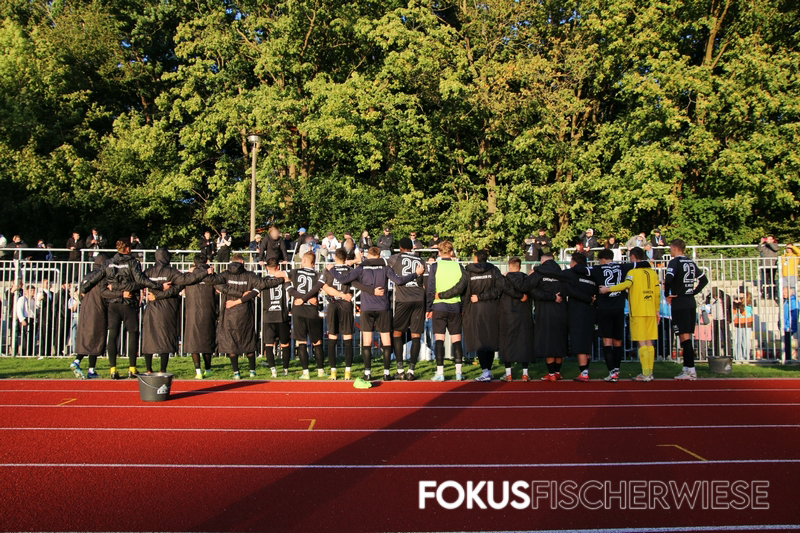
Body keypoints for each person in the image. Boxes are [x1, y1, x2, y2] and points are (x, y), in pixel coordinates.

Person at [329, 247, 422, 380]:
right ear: (379, 255)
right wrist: (415, 274)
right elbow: (400, 281)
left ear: (368, 255)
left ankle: (367, 373)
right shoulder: (385, 268)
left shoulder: (361, 268)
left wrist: (332, 270)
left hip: (367, 307)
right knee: (386, 339)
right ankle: (386, 373)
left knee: (367, 340)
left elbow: (344, 280)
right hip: (383, 307)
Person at [90, 239, 171, 379]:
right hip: (129, 303)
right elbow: (140, 282)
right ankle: (131, 368)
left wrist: (85, 289)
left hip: (113, 304)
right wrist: (158, 286)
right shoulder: (133, 263)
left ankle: (113, 369)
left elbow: (102, 288)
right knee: (132, 334)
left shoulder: (107, 263)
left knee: (113, 335)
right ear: (127, 248)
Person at [214, 254, 288, 379]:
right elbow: (262, 285)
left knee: (232, 342)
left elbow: (215, 283)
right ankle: (253, 370)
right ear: (242, 262)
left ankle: (236, 372)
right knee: (249, 340)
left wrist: (234, 296)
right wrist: (282, 279)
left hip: (230, 311)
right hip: (248, 312)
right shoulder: (250, 275)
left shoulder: (225, 274)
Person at [140, 249, 210, 374]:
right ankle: (162, 369)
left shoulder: (148, 271)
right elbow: (186, 280)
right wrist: (205, 273)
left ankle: (148, 369)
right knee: (165, 338)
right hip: (167, 307)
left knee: (149, 337)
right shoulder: (171, 272)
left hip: (152, 306)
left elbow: (140, 281)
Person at [438, 250, 502, 382]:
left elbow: (459, 288)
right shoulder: (494, 270)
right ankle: (488, 371)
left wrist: (442, 295)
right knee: (489, 339)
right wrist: (484, 296)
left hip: (474, 310)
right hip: (492, 309)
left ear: (476, 259)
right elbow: (499, 289)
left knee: (479, 340)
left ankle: (485, 371)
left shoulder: (469, 271)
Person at [601, 247, 660, 381]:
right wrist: (656, 309)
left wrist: (608, 289)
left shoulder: (633, 272)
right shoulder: (652, 273)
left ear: (633, 256)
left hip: (638, 310)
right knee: (649, 342)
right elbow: (657, 293)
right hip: (651, 310)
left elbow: (626, 285)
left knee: (641, 342)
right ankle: (650, 372)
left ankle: (645, 373)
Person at [70, 254, 133, 379]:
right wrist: (121, 294)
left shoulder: (87, 276)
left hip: (85, 310)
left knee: (87, 339)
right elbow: (105, 293)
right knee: (97, 338)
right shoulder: (103, 277)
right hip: (98, 310)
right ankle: (78, 362)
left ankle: (91, 369)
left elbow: (81, 294)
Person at [506, 253, 567, 381]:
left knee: (548, 342)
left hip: (544, 311)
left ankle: (551, 373)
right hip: (561, 310)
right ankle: (557, 372)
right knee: (559, 341)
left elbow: (525, 287)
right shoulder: (562, 274)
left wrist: (510, 276)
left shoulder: (539, 273)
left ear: (542, 262)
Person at [290, 252, 351, 379]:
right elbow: (323, 287)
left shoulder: (294, 272)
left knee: (302, 341)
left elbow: (282, 278)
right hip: (314, 310)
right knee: (317, 342)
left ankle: (306, 372)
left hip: (299, 309)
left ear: (304, 260)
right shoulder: (318, 275)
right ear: (313, 263)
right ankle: (322, 370)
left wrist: (301, 298)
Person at [664, 238, 708, 380]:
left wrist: (667, 294)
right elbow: (704, 280)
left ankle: (691, 370)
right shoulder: (690, 262)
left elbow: (668, 279)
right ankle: (687, 368)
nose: (670, 251)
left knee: (684, 337)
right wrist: (693, 292)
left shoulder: (674, 262)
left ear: (675, 248)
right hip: (689, 301)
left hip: (680, 302)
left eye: (670, 248)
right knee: (685, 336)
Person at [322, 249, 368, 380]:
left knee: (332, 337)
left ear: (335, 258)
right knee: (347, 338)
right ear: (345, 259)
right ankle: (348, 371)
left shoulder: (328, 270)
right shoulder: (350, 270)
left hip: (333, 304)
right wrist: (344, 295)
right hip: (346, 304)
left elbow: (325, 288)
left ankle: (333, 371)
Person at [425, 241, 468, 381]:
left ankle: (440, 373)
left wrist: (429, 307)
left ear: (439, 252)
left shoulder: (435, 266)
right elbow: (463, 288)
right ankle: (458, 372)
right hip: (455, 305)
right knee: (456, 339)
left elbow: (430, 288)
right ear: (451, 252)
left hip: (439, 306)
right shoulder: (459, 266)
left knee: (439, 339)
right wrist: (462, 307)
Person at [386, 238, 427, 380]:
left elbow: (384, 264)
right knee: (416, 334)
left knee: (397, 333)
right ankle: (411, 371)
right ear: (412, 248)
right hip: (419, 298)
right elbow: (424, 283)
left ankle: (400, 370)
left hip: (404, 298)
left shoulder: (395, 258)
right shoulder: (420, 260)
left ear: (401, 248)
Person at [589, 248, 629, 382]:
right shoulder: (622, 267)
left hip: (605, 307)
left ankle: (612, 371)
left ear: (602, 259)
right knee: (618, 340)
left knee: (607, 340)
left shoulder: (598, 269)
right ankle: (616, 369)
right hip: (619, 307)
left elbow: (581, 270)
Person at [183, 254, 226, 378]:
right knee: (207, 339)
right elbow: (219, 285)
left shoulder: (189, 276)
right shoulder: (210, 275)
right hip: (208, 310)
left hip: (192, 311)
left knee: (193, 341)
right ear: (206, 261)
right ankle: (208, 369)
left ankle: (198, 370)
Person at [495, 257, 534, 381]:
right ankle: (525, 373)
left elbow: (497, 293)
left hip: (507, 314)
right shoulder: (526, 280)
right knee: (524, 341)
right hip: (524, 314)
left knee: (507, 342)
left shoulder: (503, 279)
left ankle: (508, 374)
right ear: (520, 266)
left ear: (509, 266)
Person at [561, 253, 598, 382]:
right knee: (586, 340)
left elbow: (570, 290)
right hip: (590, 311)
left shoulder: (572, 274)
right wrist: (591, 299)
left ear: (574, 263)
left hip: (577, 311)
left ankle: (584, 372)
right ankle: (585, 370)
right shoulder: (592, 275)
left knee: (579, 340)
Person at [260, 258, 292, 378]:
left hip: (268, 316)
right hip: (281, 316)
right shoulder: (283, 280)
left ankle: (273, 369)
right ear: (278, 267)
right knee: (285, 344)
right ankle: (285, 369)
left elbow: (258, 294)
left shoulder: (263, 281)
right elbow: (288, 296)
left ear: (266, 268)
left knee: (269, 344)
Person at [731, 292, 753, 362]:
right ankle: (738, 357)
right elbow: (734, 312)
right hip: (738, 323)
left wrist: (739, 305)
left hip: (747, 323)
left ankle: (746, 357)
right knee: (738, 341)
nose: (739, 295)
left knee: (745, 341)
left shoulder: (749, 303)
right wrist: (735, 305)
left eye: (741, 293)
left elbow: (745, 313)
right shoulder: (737, 302)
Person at [15, 285, 37, 355]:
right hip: (25, 318)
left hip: (32, 319)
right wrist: (22, 319)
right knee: (25, 337)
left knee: (31, 337)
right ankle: (24, 353)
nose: (33, 292)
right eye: (31, 290)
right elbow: (19, 309)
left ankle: (30, 352)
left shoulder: (33, 300)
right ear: (27, 291)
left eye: (33, 291)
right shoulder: (22, 299)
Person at [782, 287, 798, 362]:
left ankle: (788, 359)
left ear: (790, 293)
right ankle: (786, 358)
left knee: (787, 343)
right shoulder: (787, 301)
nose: (783, 294)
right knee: (786, 342)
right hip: (785, 325)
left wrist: (789, 325)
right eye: (783, 292)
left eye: (785, 292)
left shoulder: (793, 301)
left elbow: (794, 315)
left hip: (788, 326)